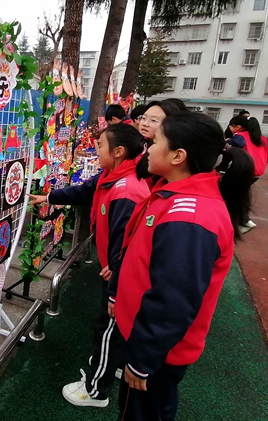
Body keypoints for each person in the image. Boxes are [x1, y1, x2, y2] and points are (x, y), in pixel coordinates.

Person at [109, 112, 255, 421]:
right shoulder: (173, 194)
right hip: (147, 338)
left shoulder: (190, 217)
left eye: (156, 142)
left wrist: (143, 360)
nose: (148, 148)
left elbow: (174, 299)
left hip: (158, 352)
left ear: (178, 156)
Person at [28, 124, 150, 408]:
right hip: (114, 269)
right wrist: (49, 197)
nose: (96, 152)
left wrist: (115, 281)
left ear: (118, 152)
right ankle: (114, 365)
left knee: (107, 328)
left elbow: (128, 242)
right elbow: (84, 191)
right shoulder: (112, 175)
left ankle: (96, 390)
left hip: (120, 276)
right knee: (114, 329)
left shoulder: (127, 191)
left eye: (100, 147)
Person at [226, 114, 267, 232]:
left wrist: (228, 142)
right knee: (241, 193)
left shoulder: (240, 136)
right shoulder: (262, 138)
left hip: (245, 170)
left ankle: (243, 220)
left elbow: (238, 144)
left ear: (238, 127)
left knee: (231, 194)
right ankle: (244, 220)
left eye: (231, 125)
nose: (230, 128)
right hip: (257, 171)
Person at [135, 100, 188, 186]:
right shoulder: (140, 144)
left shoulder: (170, 154)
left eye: (153, 120)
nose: (145, 124)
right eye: (143, 118)